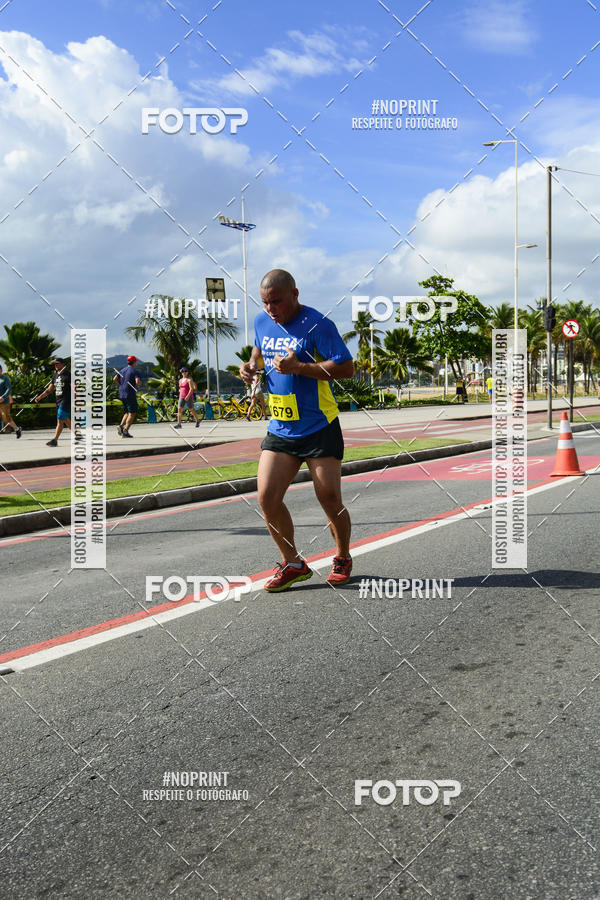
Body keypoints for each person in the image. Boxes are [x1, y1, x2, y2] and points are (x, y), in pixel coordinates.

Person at [240, 268, 355, 592]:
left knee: (329, 497)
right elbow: (259, 350)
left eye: (276, 302)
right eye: (265, 303)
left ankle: (342, 556)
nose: (270, 309)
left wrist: (300, 368)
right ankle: (293, 563)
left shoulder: (318, 324)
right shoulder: (262, 322)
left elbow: (346, 367)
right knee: (267, 498)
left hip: (319, 424)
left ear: (295, 294)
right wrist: (250, 367)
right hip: (281, 426)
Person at [34, 358, 72, 446]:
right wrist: (40, 397)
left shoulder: (68, 375)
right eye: (55, 364)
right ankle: (77, 434)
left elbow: (75, 388)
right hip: (58, 401)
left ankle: (55, 440)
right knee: (65, 419)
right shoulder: (55, 376)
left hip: (66, 401)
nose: (56, 365)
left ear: (63, 364)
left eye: (57, 363)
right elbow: (49, 390)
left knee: (59, 419)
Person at [114, 355, 141, 438]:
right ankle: (125, 431)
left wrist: (121, 385)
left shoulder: (122, 370)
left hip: (122, 393)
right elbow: (137, 382)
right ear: (134, 362)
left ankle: (121, 426)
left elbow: (114, 378)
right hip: (130, 393)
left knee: (127, 412)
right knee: (132, 412)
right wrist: (138, 385)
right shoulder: (134, 371)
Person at [0, 365, 21, 438]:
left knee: (6, 418)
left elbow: (9, 389)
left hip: (4, 402)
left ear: (1, 370)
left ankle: (17, 429)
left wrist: (3, 397)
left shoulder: (5, 379)